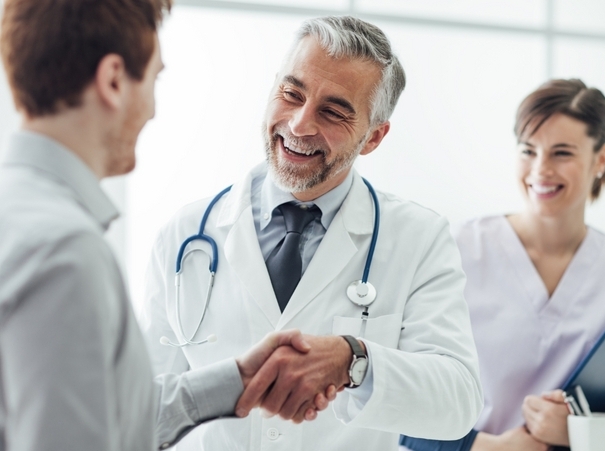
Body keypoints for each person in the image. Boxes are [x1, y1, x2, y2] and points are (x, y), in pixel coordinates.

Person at [141, 15, 483, 451]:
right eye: (291, 94)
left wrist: (353, 359)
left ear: (374, 136)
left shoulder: (419, 238)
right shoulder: (184, 235)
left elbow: (457, 402)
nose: (300, 125)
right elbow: (141, 410)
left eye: (334, 112)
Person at [0, 1, 331, 450]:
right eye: (154, 78)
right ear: (114, 80)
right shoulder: (65, 252)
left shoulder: (19, 214)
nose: (153, 110)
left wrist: (235, 380)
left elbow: (103, 413)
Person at [400, 78, 605, 451]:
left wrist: (579, 432)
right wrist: (484, 447)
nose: (541, 169)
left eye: (562, 153)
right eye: (528, 151)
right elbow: (393, 391)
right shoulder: (457, 248)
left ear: (600, 159)